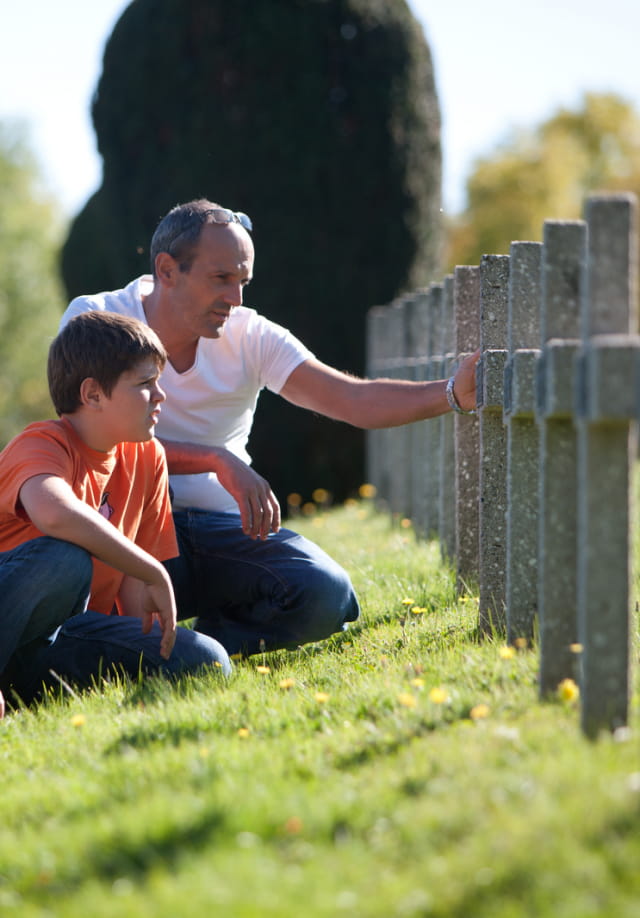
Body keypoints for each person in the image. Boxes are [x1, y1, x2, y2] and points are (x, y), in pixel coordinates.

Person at [61, 199, 479, 657]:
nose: (236, 299)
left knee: (325, 594)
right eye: (221, 278)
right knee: (76, 597)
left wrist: (451, 394)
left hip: (221, 529)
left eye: (243, 282)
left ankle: (195, 649)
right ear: (166, 270)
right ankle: (155, 646)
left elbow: (351, 399)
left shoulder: (252, 334)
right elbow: (87, 436)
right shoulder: (96, 320)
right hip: (126, 527)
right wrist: (214, 459)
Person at [0, 311, 230, 710]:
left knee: (206, 659)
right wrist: (152, 569)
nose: (160, 396)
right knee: (65, 559)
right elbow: (53, 513)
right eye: (145, 384)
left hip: (61, 639)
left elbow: (133, 600)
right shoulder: (41, 443)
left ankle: (19, 694)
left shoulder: (147, 456)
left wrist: (149, 646)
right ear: (92, 395)